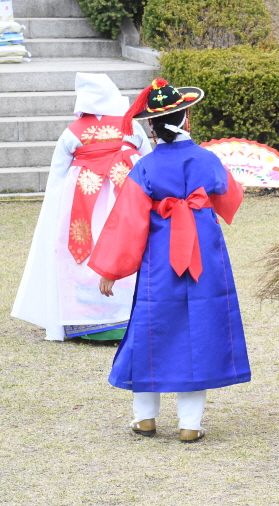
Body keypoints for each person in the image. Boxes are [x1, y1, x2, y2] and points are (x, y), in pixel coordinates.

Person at [88, 78, 251, 443]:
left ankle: (145, 418)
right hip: (205, 260)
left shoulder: (144, 168)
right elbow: (230, 201)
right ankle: (190, 424)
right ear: (186, 119)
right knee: (202, 330)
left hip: (159, 264)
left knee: (153, 329)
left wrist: (112, 270)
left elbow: (127, 222)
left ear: (152, 127)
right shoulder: (208, 160)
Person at [12, 73, 151, 341]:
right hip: (127, 196)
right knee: (128, 246)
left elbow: (57, 175)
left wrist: (54, 210)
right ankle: (130, 319)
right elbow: (148, 160)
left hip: (81, 200)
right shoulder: (132, 127)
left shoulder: (72, 132)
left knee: (82, 255)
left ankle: (85, 322)